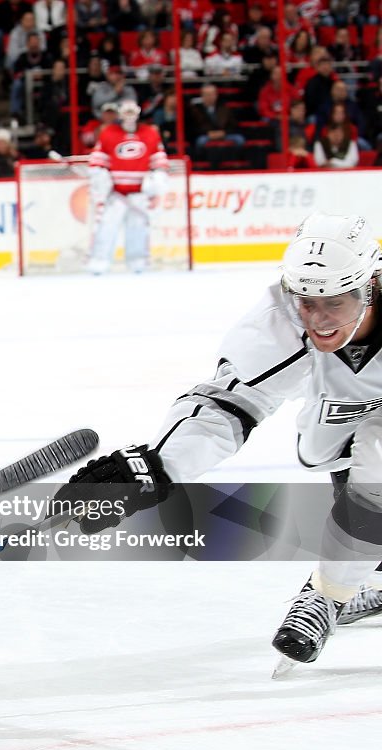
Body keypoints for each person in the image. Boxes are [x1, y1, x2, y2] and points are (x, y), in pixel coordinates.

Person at [55, 212, 382, 670]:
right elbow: (228, 403)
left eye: (336, 302)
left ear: (372, 286)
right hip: (341, 426)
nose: (320, 319)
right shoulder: (282, 320)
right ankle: (345, 581)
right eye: (307, 302)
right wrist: (157, 467)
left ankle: (329, 596)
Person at [87, 100, 168, 274]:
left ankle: (138, 263)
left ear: (138, 112)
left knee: (138, 229)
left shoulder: (151, 133)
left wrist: (156, 181)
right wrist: (102, 180)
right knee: (106, 228)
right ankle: (99, 262)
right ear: (120, 113)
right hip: (116, 194)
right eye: (126, 111)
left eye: (132, 111)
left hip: (139, 194)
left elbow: (159, 163)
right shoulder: (108, 133)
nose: (129, 115)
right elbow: (98, 162)